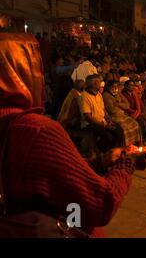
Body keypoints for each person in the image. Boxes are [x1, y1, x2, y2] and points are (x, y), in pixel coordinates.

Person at [0, 33, 135, 237]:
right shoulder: (37, 131)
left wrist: (99, 163)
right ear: (24, 71)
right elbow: (100, 203)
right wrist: (126, 164)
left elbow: (49, 175)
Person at [80, 75, 122, 153]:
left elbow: (103, 109)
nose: (100, 84)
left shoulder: (98, 94)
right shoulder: (84, 96)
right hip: (90, 124)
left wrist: (108, 119)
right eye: (99, 82)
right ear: (95, 83)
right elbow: (88, 118)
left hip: (102, 121)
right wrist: (104, 125)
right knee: (107, 136)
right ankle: (103, 152)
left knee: (118, 130)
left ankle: (113, 152)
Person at [103, 81, 142, 147]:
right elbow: (112, 110)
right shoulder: (106, 95)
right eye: (113, 87)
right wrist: (122, 106)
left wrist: (119, 104)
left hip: (123, 115)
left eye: (116, 86)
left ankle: (135, 145)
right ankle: (125, 147)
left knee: (135, 124)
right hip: (114, 116)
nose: (115, 88)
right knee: (125, 129)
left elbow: (127, 105)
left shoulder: (118, 94)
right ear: (108, 87)